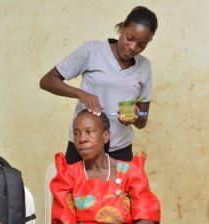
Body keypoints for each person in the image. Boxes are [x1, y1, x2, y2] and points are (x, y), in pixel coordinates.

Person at [40, 110, 175, 224]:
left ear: (105, 136)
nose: (82, 139)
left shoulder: (129, 172)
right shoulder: (68, 176)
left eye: (89, 132)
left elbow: (146, 220)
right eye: (76, 133)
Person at [39, 6, 158, 164]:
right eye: (130, 38)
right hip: (83, 146)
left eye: (141, 45)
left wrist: (136, 117)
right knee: (75, 188)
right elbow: (47, 80)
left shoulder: (144, 67)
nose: (133, 47)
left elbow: (143, 118)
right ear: (122, 28)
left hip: (120, 150)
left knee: (119, 190)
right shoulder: (92, 51)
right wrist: (81, 94)